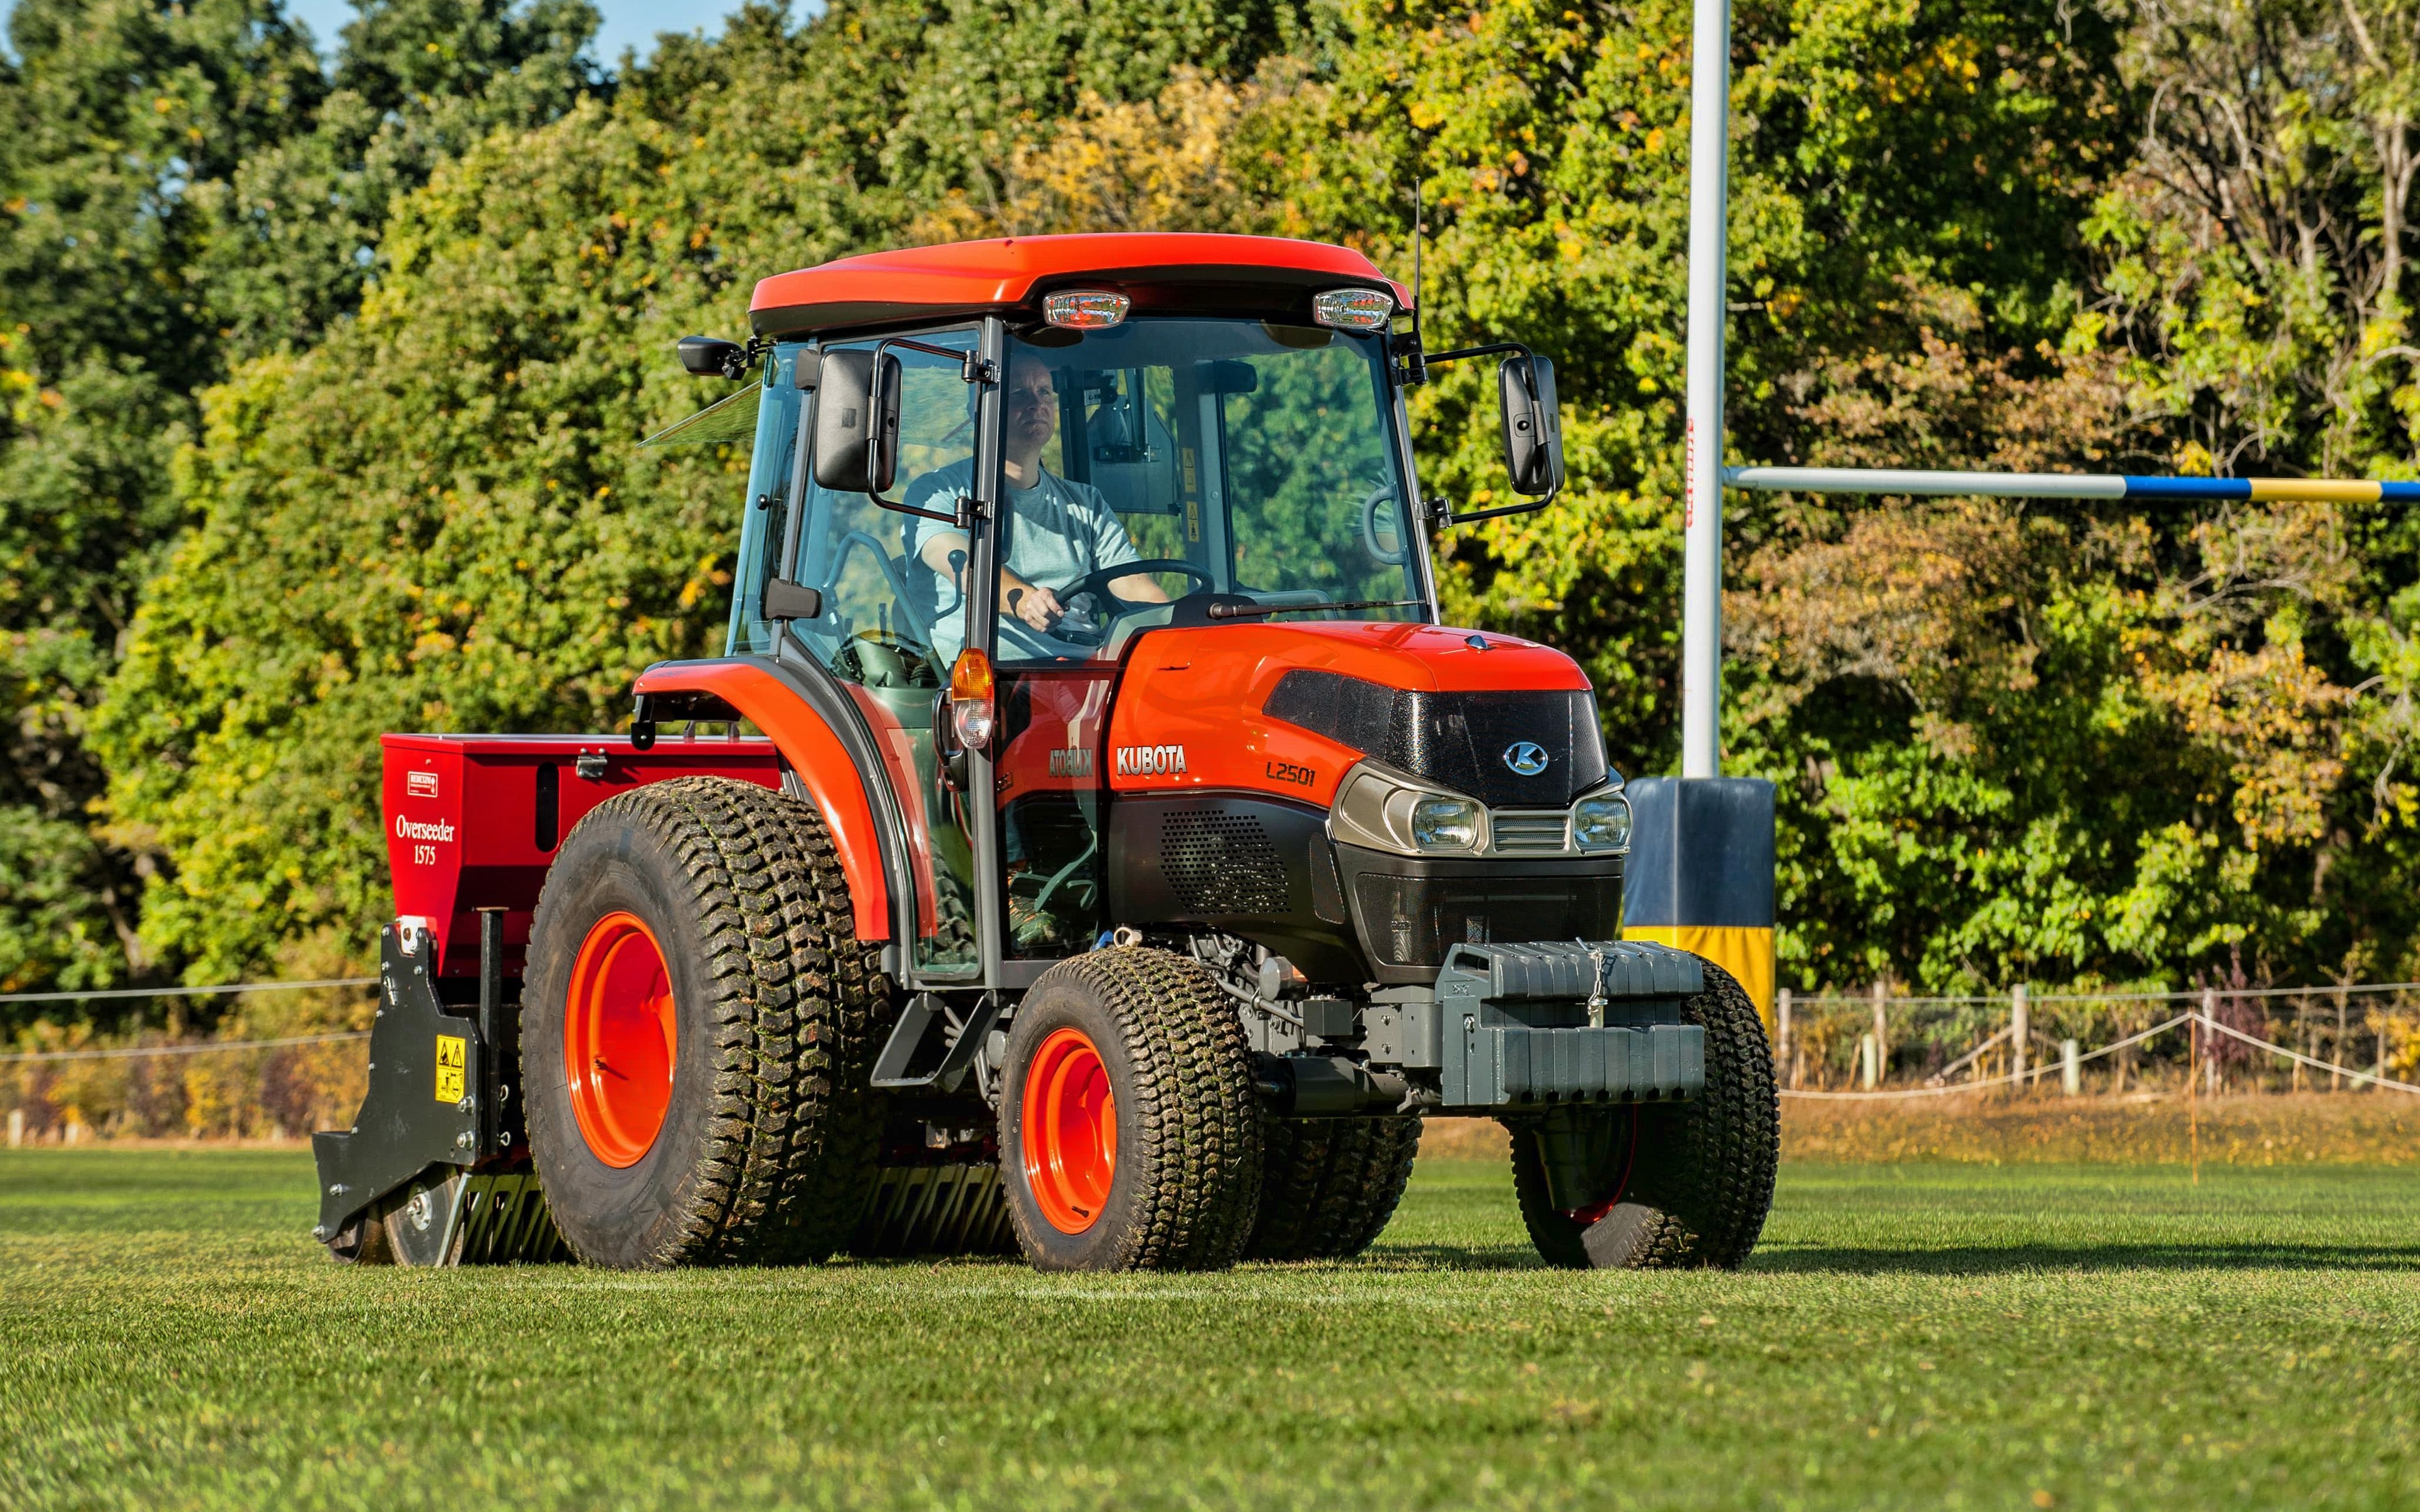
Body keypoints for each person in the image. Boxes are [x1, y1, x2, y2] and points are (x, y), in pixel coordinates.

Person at [907, 350, 1168, 661]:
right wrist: (1026, 601)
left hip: (1084, 671)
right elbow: (960, 563)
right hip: (984, 677)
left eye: (1044, 391)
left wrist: (1182, 626)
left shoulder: (1086, 504)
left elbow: (1136, 589)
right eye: (1019, 393)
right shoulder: (938, 491)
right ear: (978, 410)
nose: (1037, 404)